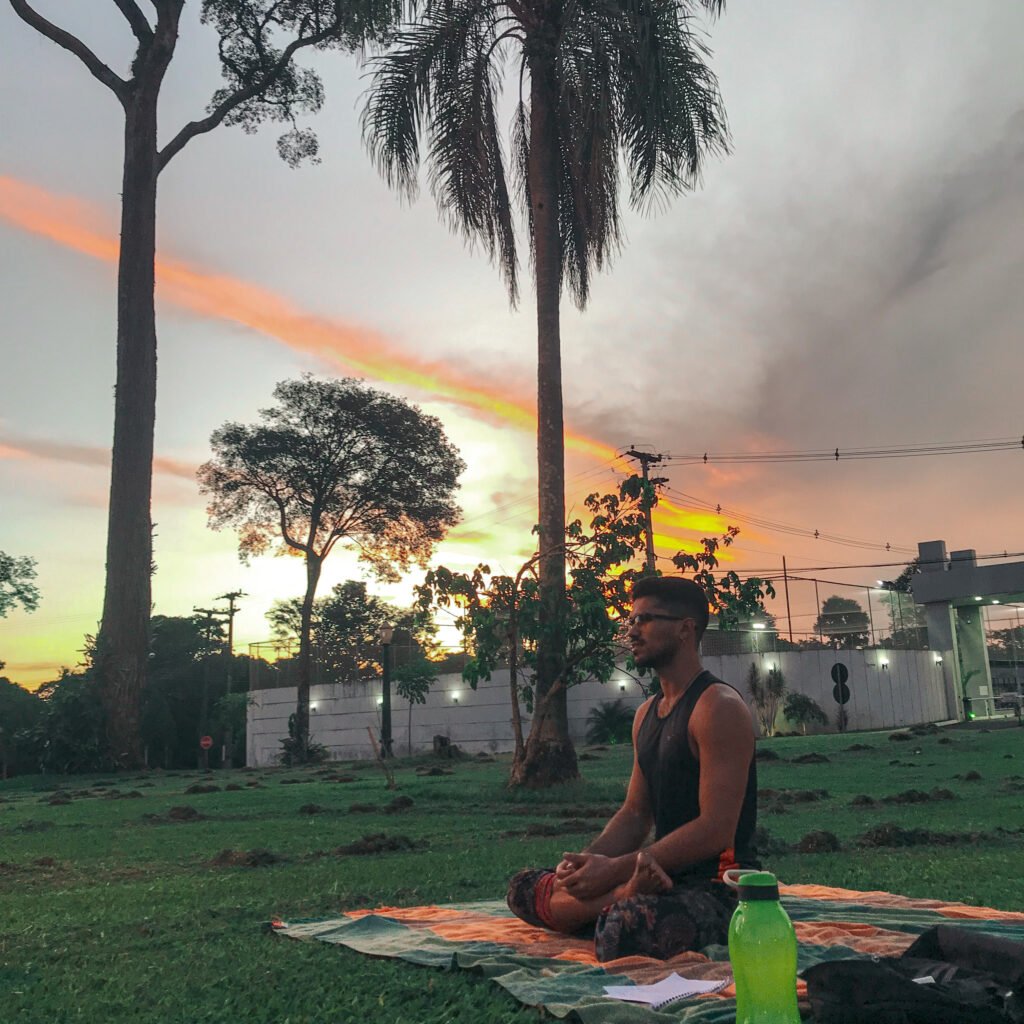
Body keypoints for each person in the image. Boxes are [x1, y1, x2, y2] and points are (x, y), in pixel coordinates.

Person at [506, 575, 760, 961]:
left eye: (645, 619)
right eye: (631, 620)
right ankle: (618, 897)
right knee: (523, 887)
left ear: (684, 630)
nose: (632, 630)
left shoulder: (718, 707)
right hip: (653, 876)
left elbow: (715, 831)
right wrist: (585, 867)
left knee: (622, 930)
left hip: (721, 888)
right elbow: (636, 813)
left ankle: (615, 902)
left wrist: (614, 870)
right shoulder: (645, 714)